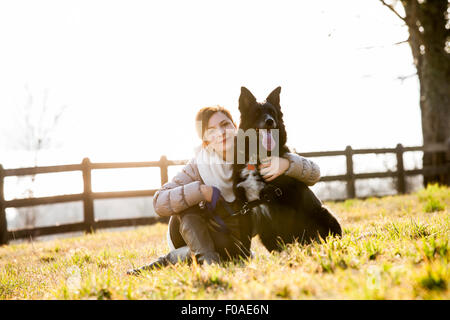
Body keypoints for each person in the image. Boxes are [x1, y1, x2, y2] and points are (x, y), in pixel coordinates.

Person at [127, 105, 321, 275]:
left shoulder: (256, 152)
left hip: (229, 236)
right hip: (188, 231)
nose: (220, 133)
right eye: (211, 130)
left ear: (235, 128)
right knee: (188, 206)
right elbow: (159, 202)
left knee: (232, 254)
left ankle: (173, 260)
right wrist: (202, 191)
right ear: (205, 139)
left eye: (225, 125)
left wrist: (287, 164)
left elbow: (314, 174)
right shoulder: (198, 166)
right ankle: (209, 263)